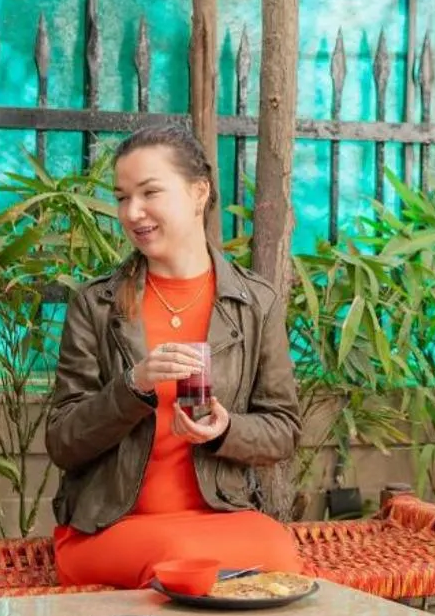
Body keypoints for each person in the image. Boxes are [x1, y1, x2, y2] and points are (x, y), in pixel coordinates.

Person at [46, 123, 302, 592]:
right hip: (112, 525)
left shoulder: (254, 302)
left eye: (149, 193)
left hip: (221, 516)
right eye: (122, 197)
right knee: (183, 565)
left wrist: (225, 430)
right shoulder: (96, 303)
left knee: (279, 553)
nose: (132, 212)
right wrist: (132, 386)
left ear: (198, 191)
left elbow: (283, 428)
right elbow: (63, 440)